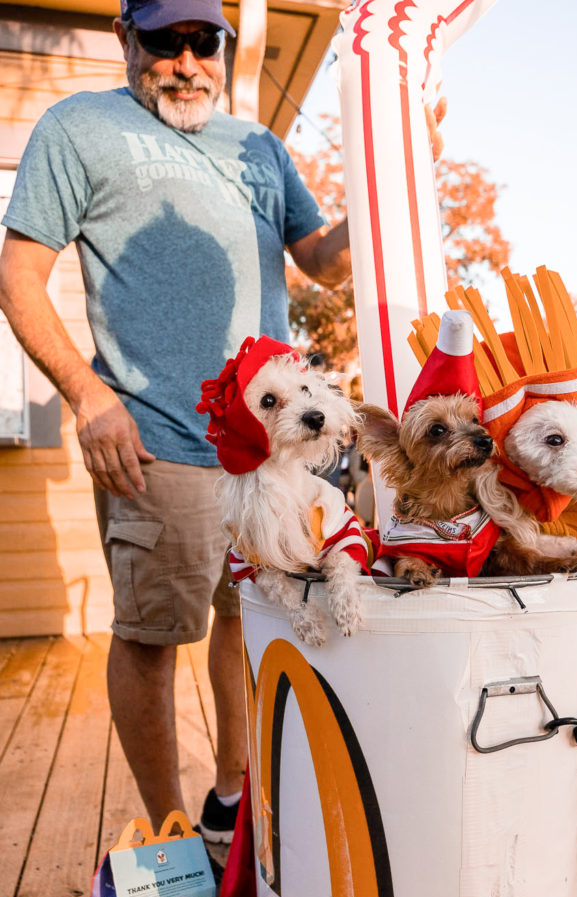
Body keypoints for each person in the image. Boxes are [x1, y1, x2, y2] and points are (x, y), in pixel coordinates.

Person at [0, 0, 355, 843]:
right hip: (157, 442)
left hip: (272, 457)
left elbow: (323, 265)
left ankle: (232, 797)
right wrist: (91, 397)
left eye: (206, 41)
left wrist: (401, 171)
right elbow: (18, 276)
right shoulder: (80, 127)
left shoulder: (260, 147)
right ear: (129, 38)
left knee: (251, 622)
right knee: (155, 634)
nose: (188, 60)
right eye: (167, 40)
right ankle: (170, 836)